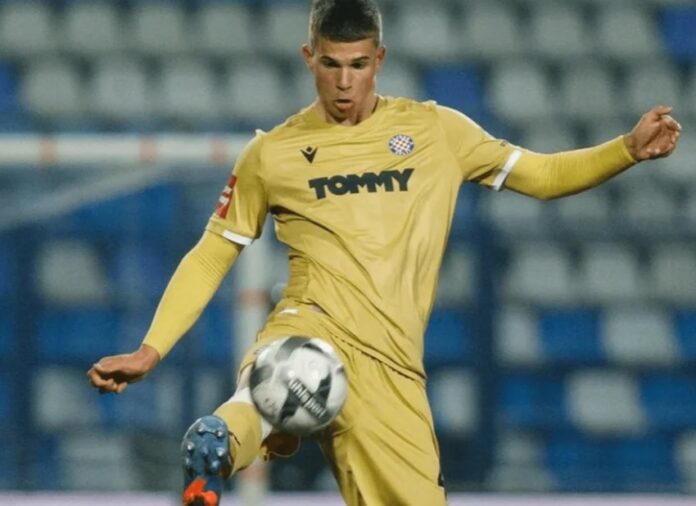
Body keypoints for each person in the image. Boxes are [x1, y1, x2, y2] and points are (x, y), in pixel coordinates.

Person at [87, 0, 682, 504]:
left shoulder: (437, 132)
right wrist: (151, 348)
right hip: (310, 325)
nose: (344, 83)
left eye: (358, 65)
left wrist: (625, 150)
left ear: (380, 60)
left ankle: (229, 434)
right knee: (282, 377)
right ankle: (219, 445)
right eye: (330, 65)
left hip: (392, 366)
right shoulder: (273, 154)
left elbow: (543, 175)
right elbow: (213, 250)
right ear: (308, 58)